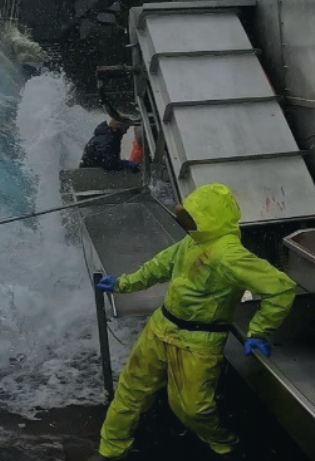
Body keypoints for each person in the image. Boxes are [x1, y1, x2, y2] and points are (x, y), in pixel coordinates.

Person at [88, 183, 297, 460]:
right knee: (131, 390)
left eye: (190, 215)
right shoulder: (193, 241)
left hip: (198, 341)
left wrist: (259, 330)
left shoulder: (228, 254)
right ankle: (111, 449)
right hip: (161, 326)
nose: (184, 221)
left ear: (209, 218)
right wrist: (123, 284)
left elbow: (280, 287)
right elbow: (159, 265)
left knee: (191, 408)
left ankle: (225, 444)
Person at [80, 91, 139, 172]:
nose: (125, 132)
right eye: (125, 129)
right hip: (88, 174)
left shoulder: (108, 136)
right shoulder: (107, 139)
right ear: (117, 128)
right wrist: (127, 164)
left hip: (92, 172)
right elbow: (108, 163)